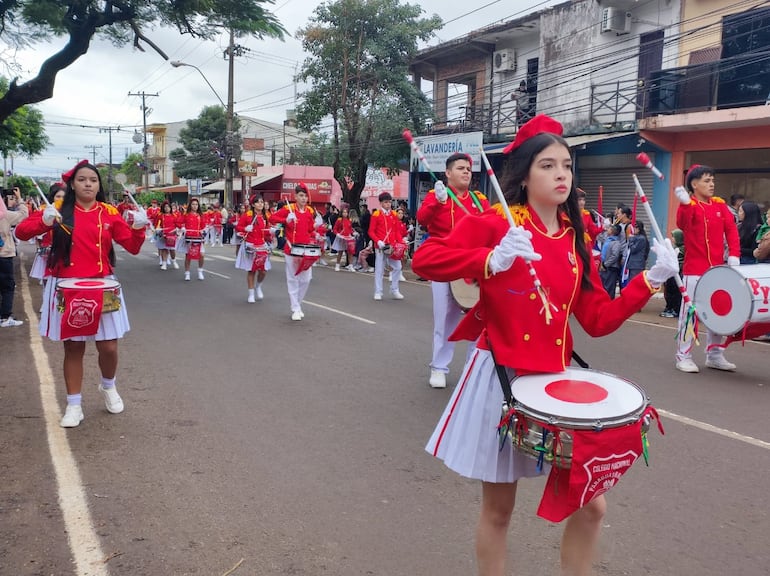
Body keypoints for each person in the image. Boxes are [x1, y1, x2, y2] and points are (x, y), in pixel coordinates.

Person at [411, 114, 678, 576]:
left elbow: (595, 320)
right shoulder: (498, 222)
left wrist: (648, 281)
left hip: (556, 384)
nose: (561, 175)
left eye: (567, 166)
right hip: (502, 380)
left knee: (593, 507)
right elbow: (426, 258)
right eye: (548, 165)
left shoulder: (577, 240)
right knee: (499, 511)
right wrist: (490, 257)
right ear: (526, 174)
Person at [14, 160, 148, 427]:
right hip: (67, 285)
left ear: (99, 185)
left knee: (108, 345)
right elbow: (21, 232)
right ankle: (74, 405)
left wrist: (138, 228)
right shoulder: (58, 210)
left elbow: (132, 247)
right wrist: (43, 220)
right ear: (73, 184)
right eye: (82, 179)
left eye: (93, 180)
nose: (88, 183)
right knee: (73, 347)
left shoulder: (109, 213)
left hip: (103, 283)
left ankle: (108, 386)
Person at [416, 151, 490, 389]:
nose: (466, 171)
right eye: (460, 168)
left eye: (468, 168)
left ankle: (472, 368)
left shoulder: (479, 199)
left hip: (473, 263)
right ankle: (439, 367)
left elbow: (491, 225)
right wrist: (437, 203)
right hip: (445, 260)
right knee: (445, 318)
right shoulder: (437, 195)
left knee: (477, 318)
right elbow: (422, 219)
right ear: (448, 173)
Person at [674, 164, 740, 373]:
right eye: (706, 180)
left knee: (718, 313)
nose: (712, 184)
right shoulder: (690, 205)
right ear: (694, 184)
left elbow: (731, 231)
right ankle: (683, 355)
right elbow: (683, 224)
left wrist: (735, 255)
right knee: (690, 314)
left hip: (717, 271)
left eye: (712, 180)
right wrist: (685, 204)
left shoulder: (720, 206)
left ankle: (714, 354)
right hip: (695, 270)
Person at [269, 183, 321, 320]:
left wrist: (317, 227)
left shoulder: (309, 211)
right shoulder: (288, 208)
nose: (304, 198)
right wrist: (285, 220)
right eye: (301, 196)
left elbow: (310, 229)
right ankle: (295, 308)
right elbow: (271, 218)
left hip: (306, 249)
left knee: (306, 279)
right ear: (295, 196)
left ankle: (297, 304)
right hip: (291, 248)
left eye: (305, 196)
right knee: (293, 279)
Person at [368, 192, 407, 301]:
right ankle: (378, 291)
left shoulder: (394, 214)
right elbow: (371, 231)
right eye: (386, 202)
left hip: (392, 246)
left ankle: (394, 289)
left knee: (398, 267)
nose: (388, 204)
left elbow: (396, 231)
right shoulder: (376, 214)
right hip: (380, 246)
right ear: (381, 203)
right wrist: (378, 241)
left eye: (389, 202)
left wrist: (401, 242)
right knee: (380, 269)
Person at [235, 194, 273, 303]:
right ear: (253, 204)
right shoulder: (247, 215)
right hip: (250, 244)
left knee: (263, 271)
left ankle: (258, 286)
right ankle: (251, 294)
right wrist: (245, 228)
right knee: (251, 270)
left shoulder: (265, 215)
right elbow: (238, 227)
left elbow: (266, 231)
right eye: (258, 202)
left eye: (262, 202)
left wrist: (271, 232)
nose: (260, 204)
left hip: (262, 245)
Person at [0, 186, 29, 327]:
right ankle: (5, 318)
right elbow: (24, 214)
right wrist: (19, 199)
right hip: (4, 255)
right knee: (7, 287)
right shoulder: (4, 215)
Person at [179, 198, 207, 281]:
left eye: (196, 204)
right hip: (189, 237)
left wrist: (204, 230)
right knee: (188, 256)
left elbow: (203, 225)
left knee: (201, 255)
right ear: (190, 205)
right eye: (193, 204)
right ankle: (187, 273)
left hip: (198, 237)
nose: (195, 206)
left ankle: (200, 271)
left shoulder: (200, 215)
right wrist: (182, 227)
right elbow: (179, 222)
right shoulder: (186, 215)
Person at [660, 228, 684, 318]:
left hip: (678, 274)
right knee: (668, 291)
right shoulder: (674, 248)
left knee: (676, 293)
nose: (672, 239)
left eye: (674, 237)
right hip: (670, 274)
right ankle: (669, 307)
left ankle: (676, 309)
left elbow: (679, 261)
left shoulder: (683, 249)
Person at [599, 224, 623, 299]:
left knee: (609, 287)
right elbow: (599, 237)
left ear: (613, 231)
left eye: (609, 229)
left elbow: (614, 256)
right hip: (603, 266)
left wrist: (605, 264)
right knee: (603, 286)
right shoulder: (607, 239)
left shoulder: (616, 243)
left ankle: (609, 303)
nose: (607, 230)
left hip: (610, 267)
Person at [155, 201, 180, 270]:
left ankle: (174, 261)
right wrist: (158, 230)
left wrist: (177, 230)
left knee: (172, 250)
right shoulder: (160, 216)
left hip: (172, 235)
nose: (167, 208)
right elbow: (157, 225)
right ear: (163, 208)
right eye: (165, 207)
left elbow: (178, 225)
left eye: (168, 207)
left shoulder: (174, 216)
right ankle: (164, 263)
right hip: (164, 235)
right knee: (164, 249)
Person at [331, 206, 356, 271]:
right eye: (344, 212)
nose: (345, 213)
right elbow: (334, 229)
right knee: (340, 252)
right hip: (341, 237)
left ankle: (350, 265)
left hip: (348, 238)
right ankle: (337, 265)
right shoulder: (339, 220)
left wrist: (353, 233)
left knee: (350, 252)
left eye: (346, 212)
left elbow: (350, 229)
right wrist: (338, 234)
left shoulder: (349, 220)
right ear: (341, 213)